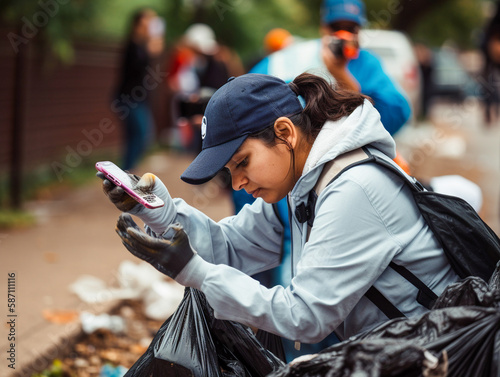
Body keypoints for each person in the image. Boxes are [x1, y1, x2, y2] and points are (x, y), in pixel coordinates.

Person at [100, 73, 460, 354]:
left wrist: (193, 271)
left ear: (285, 133)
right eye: (229, 171)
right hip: (398, 352)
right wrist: (159, 211)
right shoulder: (302, 186)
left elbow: (305, 316)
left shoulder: (354, 188)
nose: (238, 183)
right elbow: (231, 249)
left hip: (445, 356)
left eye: (242, 163)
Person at [114, 8, 164, 171]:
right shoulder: (133, 46)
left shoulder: (141, 46)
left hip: (137, 99)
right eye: (147, 21)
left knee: (136, 137)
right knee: (141, 136)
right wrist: (151, 50)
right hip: (129, 99)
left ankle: (125, 172)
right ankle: (126, 172)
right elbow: (135, 68)